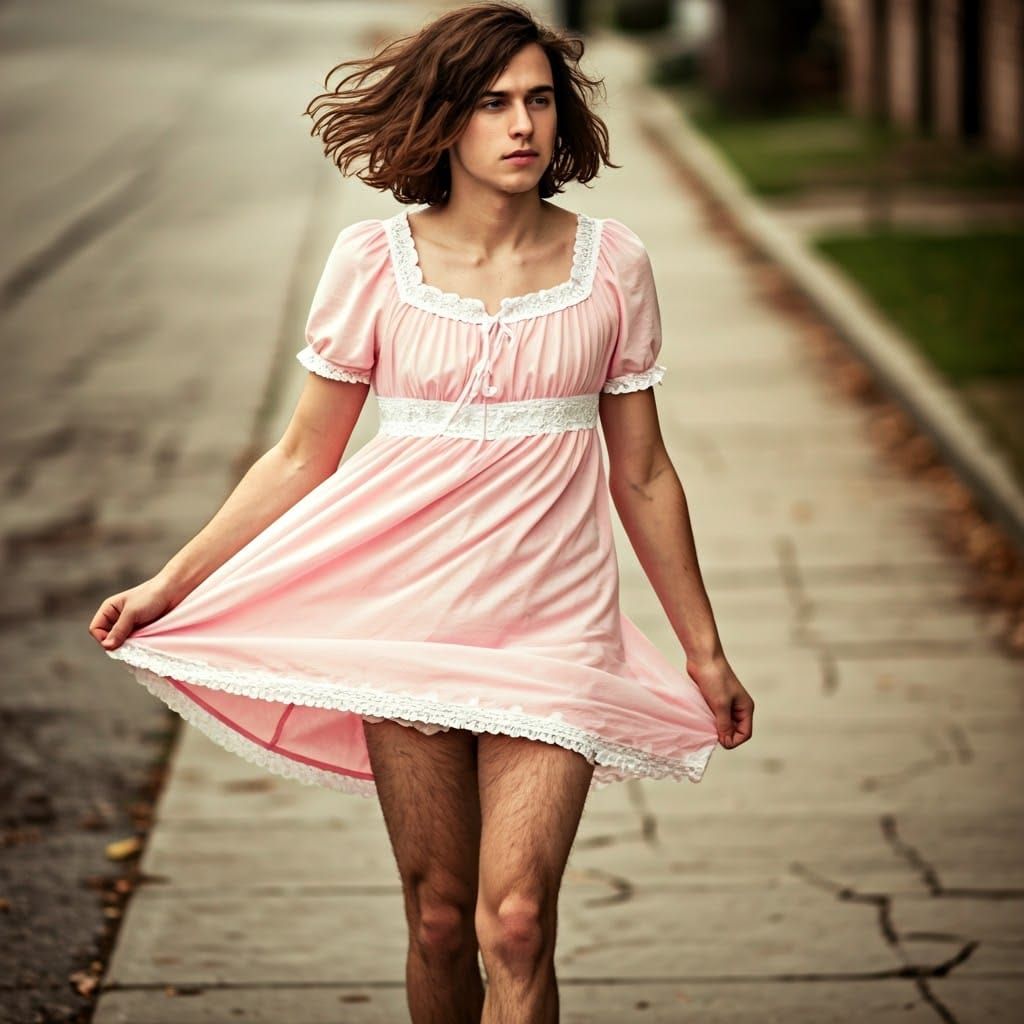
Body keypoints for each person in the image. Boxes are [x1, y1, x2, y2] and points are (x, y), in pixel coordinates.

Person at [88, 2, 754, 1020]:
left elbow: (646, 474)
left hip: (553, 628)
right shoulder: (372, 265)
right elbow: (302, 456)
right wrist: (171, 582)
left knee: (516, 918)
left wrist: (704, 650)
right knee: (439, 915)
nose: (522, 125)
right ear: (445, 121)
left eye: (537, 99)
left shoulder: (612, 265)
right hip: (406, 623)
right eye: (492, 104)